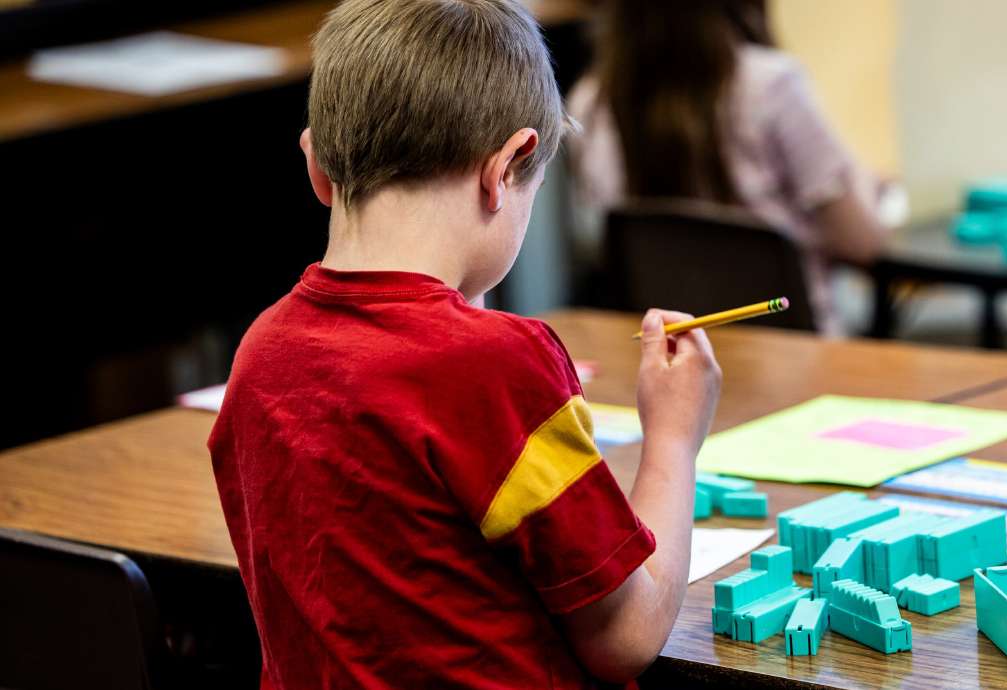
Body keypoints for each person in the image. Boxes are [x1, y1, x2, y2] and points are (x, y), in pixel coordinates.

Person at [207, 1, 722, 688]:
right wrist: (674, 437)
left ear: (316, 167)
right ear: (509, 165)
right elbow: (626, 636)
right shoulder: (495, 366)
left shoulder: (262, 351)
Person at [568, 0, 890, 335]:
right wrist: (862, 180)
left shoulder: (588, 104)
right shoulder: (773, 85)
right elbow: (862, 242)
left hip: (665, 351)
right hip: (792, 349)